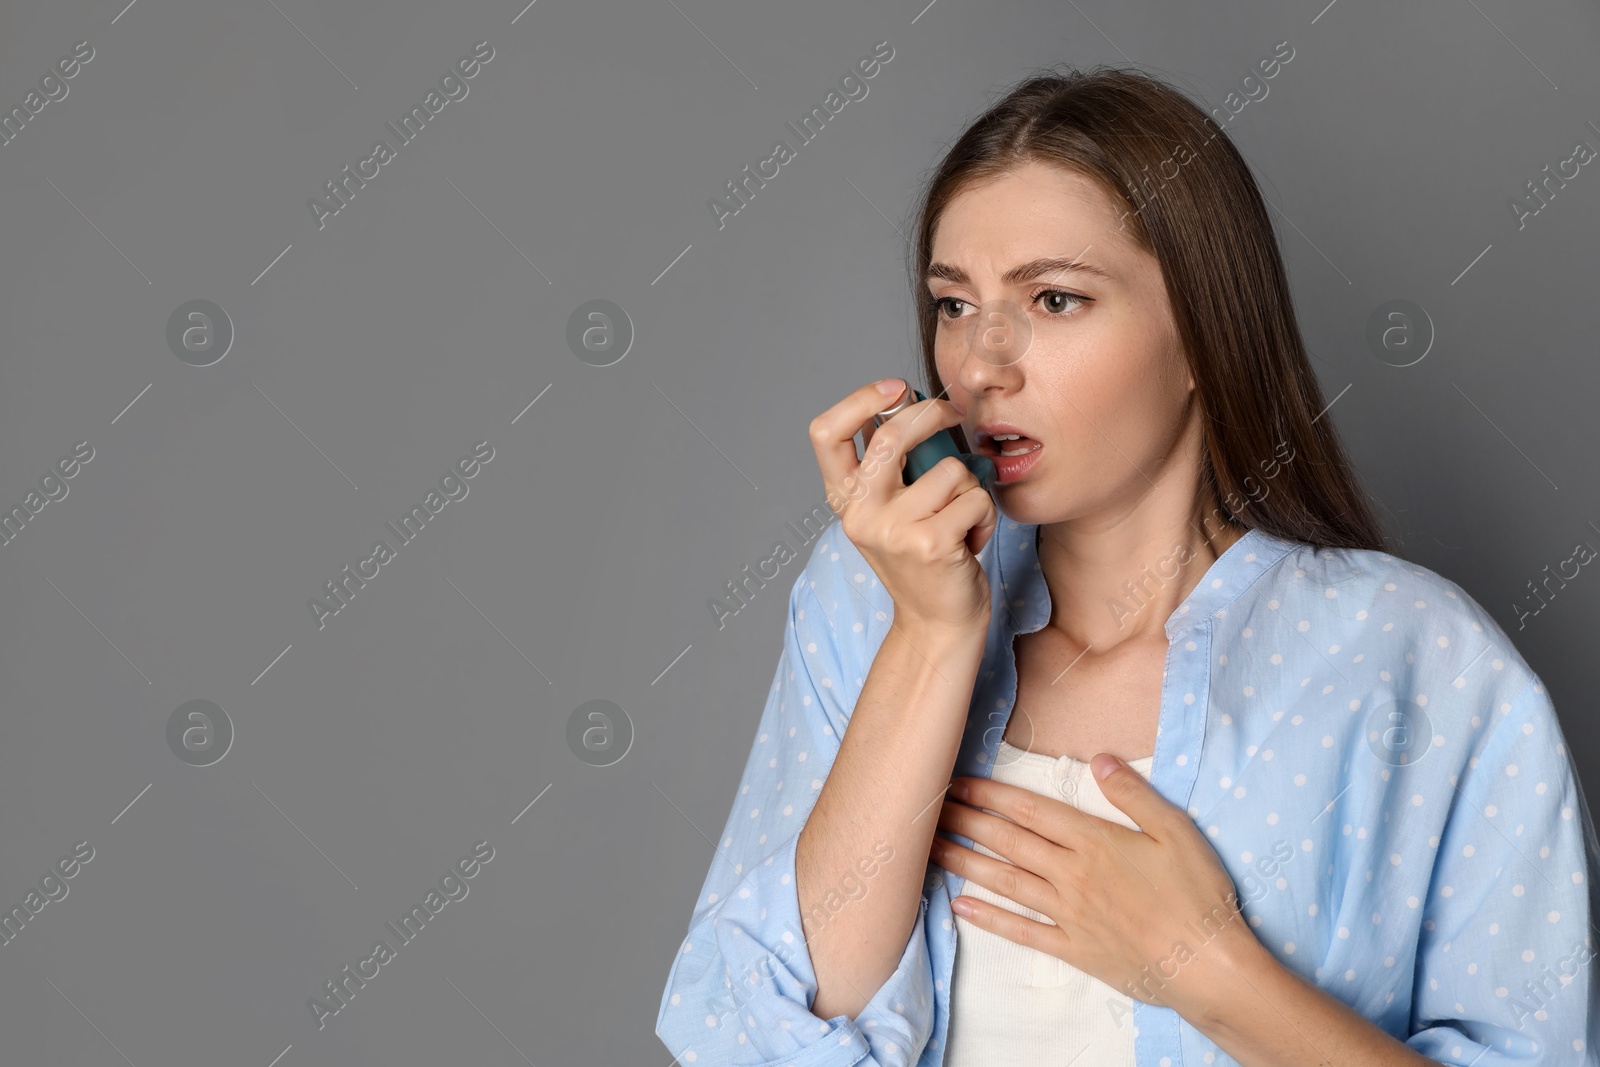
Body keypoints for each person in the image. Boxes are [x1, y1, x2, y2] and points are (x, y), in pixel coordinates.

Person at [655, 64, 1599, 1066]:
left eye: (1055, 299)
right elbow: (761, 1033)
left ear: (1202, 331)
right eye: (953, 303)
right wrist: (930, 636)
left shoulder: (1417, 660)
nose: (982, 364)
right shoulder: (867, 596)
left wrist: (1200, 966)